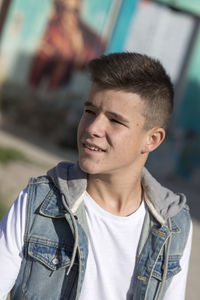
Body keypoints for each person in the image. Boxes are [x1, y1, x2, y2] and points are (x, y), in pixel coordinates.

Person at [0, 52, 192, 300]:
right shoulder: (37, 203)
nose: (92, 128)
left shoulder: (174, 225)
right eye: (90, 111)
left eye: (114, 120)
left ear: (152, 139)